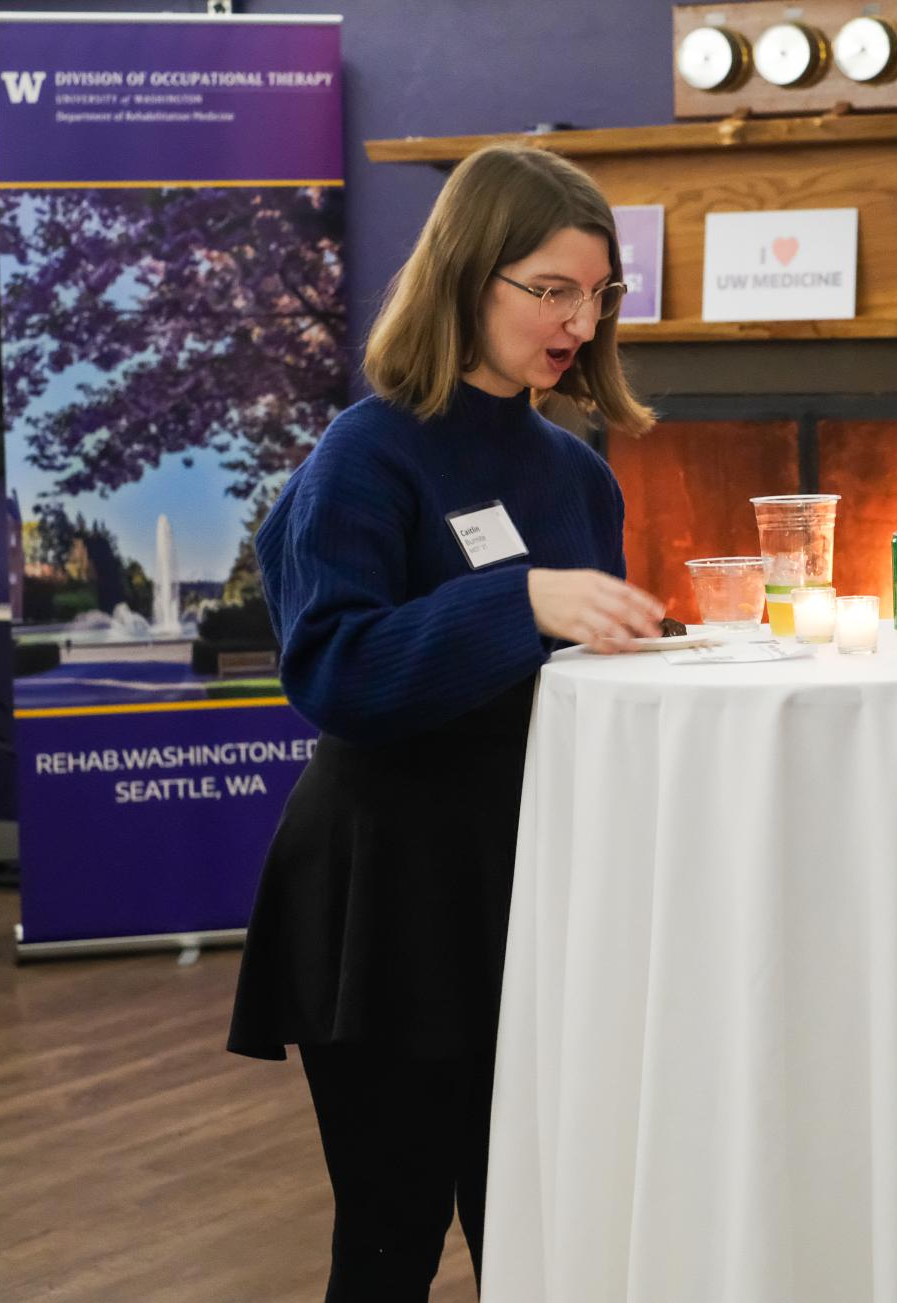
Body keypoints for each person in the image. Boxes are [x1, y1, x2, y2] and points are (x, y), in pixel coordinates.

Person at [226, 144, 666, 1300]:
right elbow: (332, 667)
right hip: (385, 898)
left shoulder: (578, 474)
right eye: (552, 289)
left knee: (537, 1238)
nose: (579, 320)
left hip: (526, 893)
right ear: (469, 275)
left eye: (598, 293)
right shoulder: (366, 454)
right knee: (391, 1241)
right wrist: (515, 601)